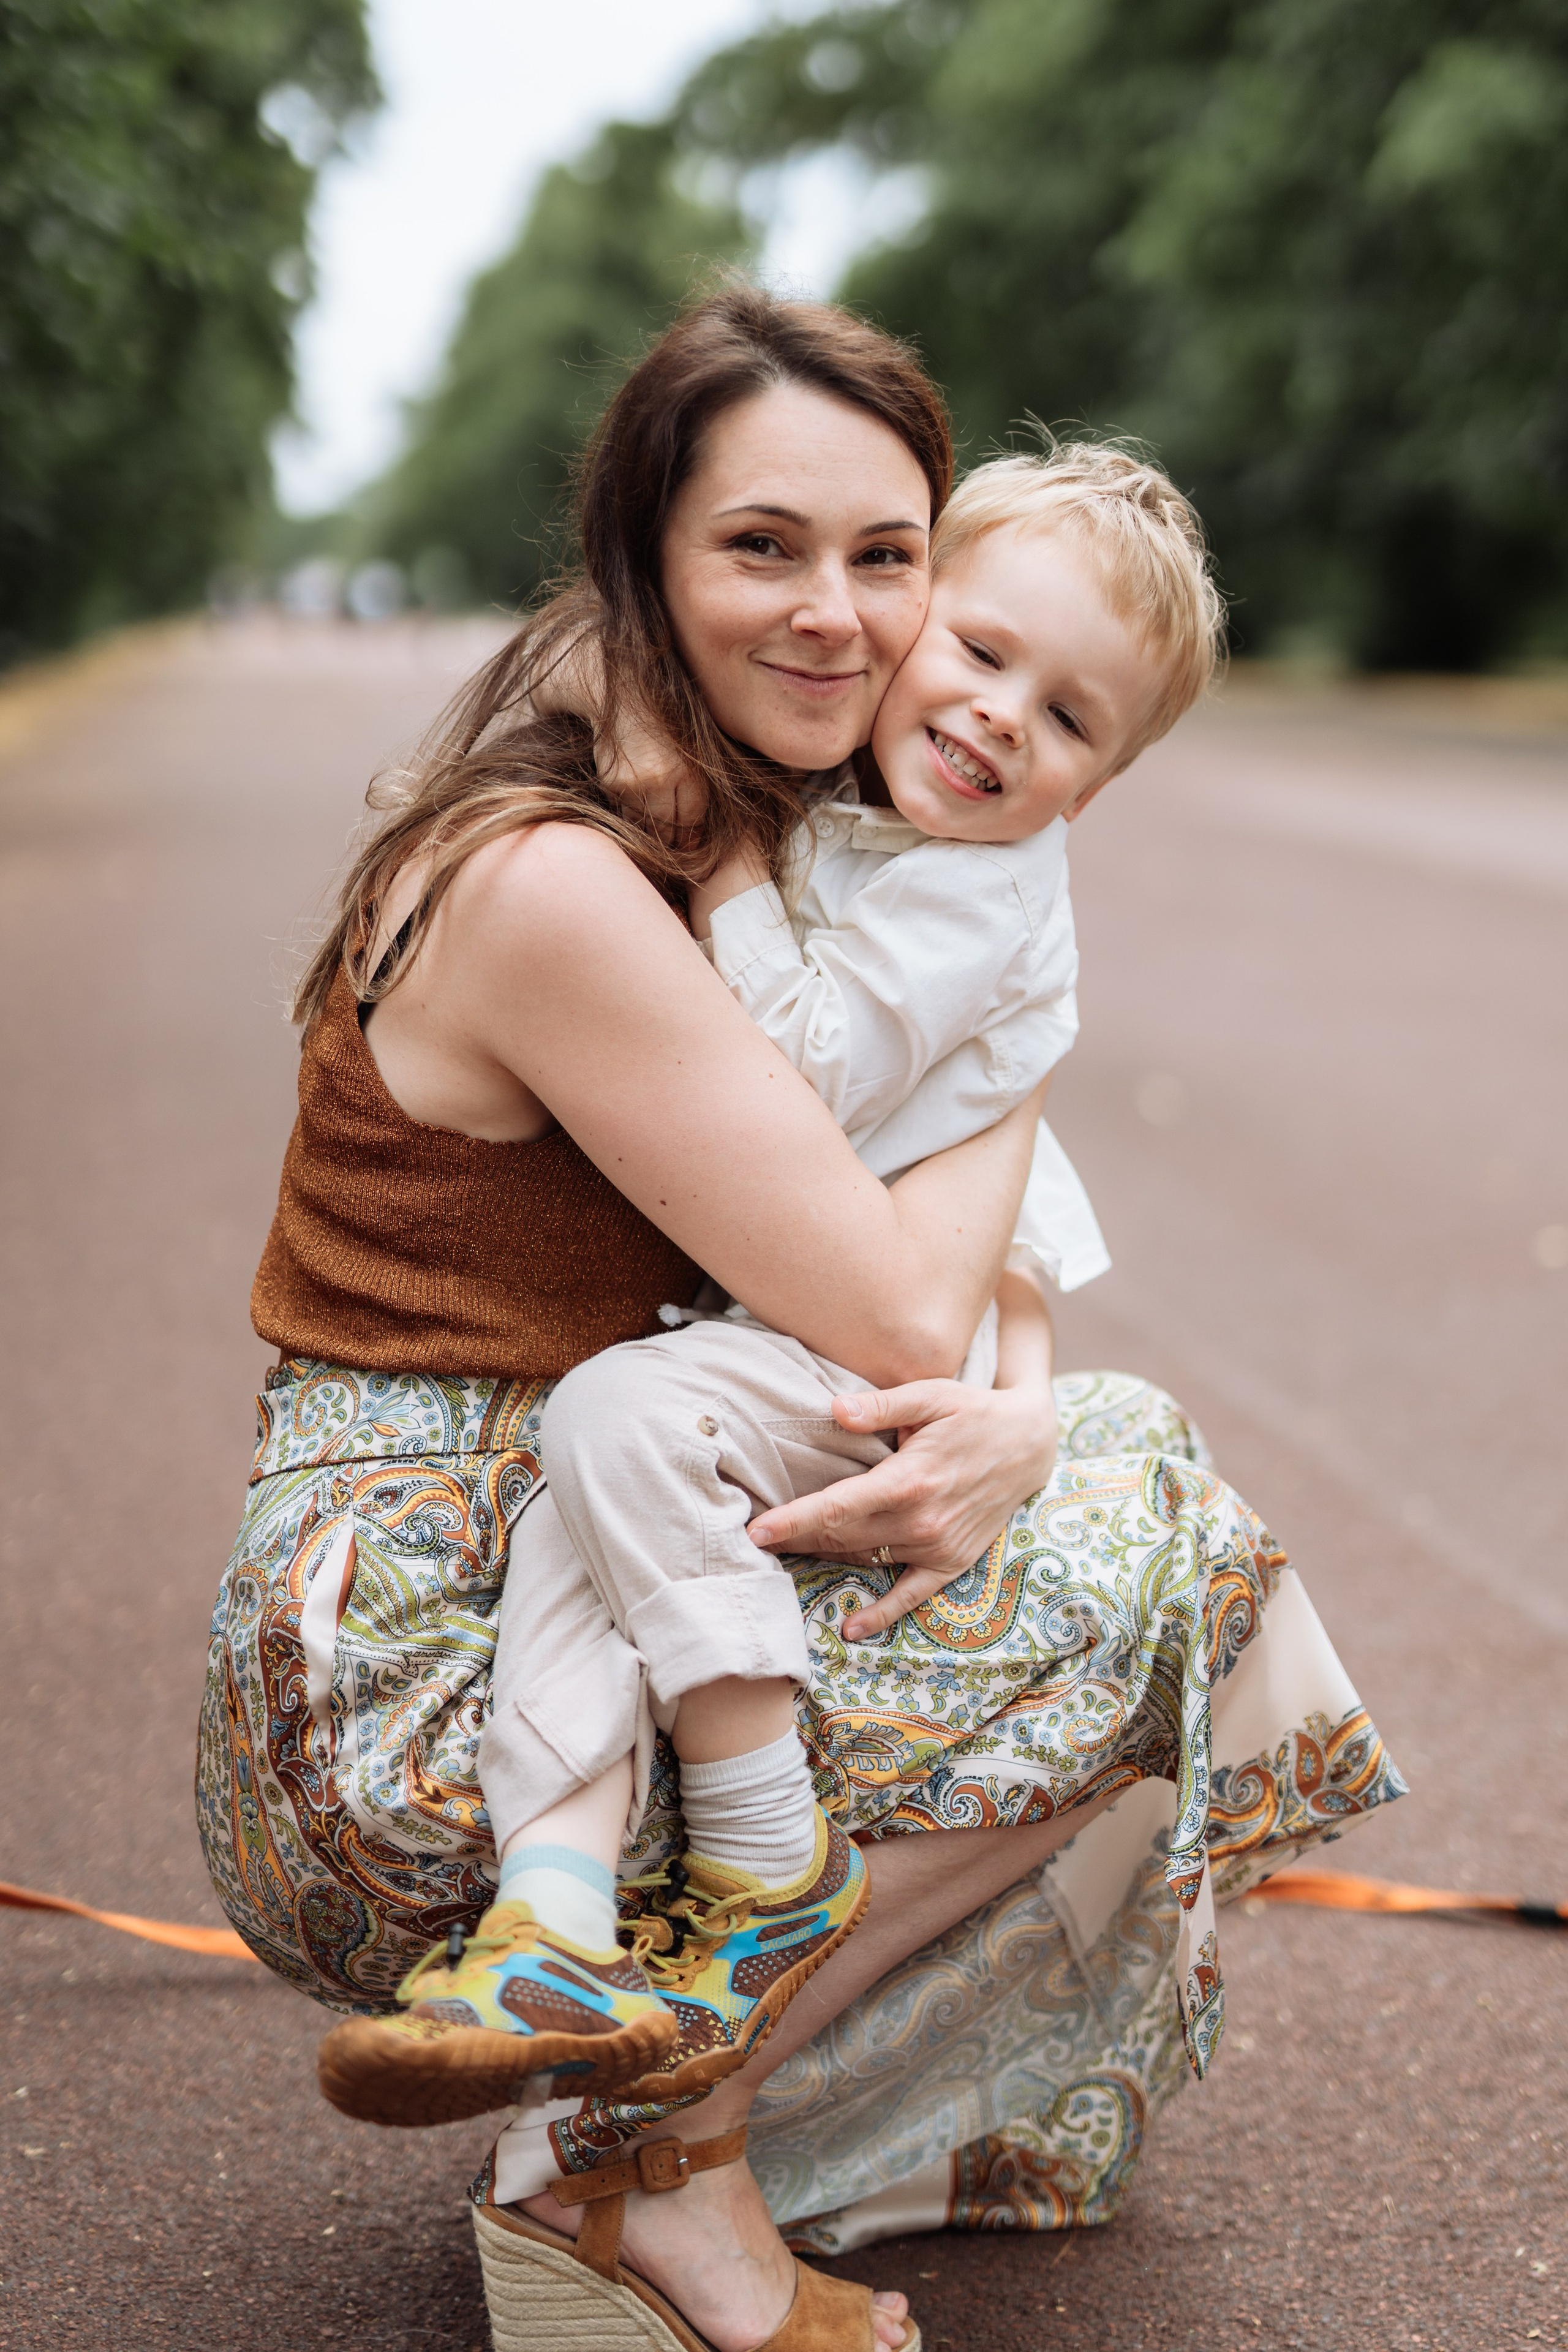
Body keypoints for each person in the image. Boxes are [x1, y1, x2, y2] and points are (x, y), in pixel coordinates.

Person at [198, 287, 1403, 2352]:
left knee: (1083, 1461)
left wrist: (1013, 1388)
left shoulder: (767, 831)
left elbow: (924, 1273)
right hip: (397, 1686)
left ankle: (655, 2132)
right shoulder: (567, 880)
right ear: (644, 558)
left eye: (886, 554)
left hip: (551, 1539)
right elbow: (892, 1299)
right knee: (1157, 1537)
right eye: (763, 548)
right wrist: (1026, 1056)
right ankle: (639, 2167)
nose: (841, 616)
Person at [319, 437, 1224, 2144]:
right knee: (572, 1544)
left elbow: (811, 1065)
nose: (1001, 717)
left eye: (1071, 718)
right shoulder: (870, 828)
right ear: (913, 629)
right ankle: (554, 1930)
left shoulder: (973, 883)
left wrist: (717, 857)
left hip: (840, 1367)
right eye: (978, 651)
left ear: (1091, 792)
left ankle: (757, 1851)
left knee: (608, 1422)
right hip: (784, 1339)